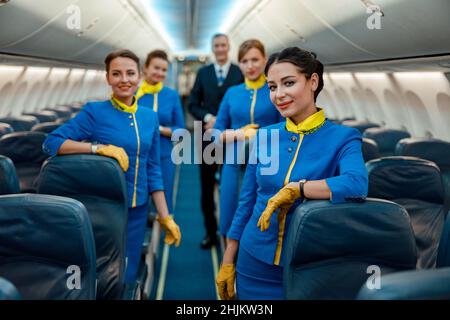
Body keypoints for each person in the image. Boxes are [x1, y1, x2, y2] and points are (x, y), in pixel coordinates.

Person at [215, 47, 368, 300]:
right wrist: (229, 257)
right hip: (254, 261)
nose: (279, 95)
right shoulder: (264, 137)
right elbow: (247, 203)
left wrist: (298, 189)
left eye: (288, 83)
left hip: (309, 264)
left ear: (313, 81)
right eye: (272, 87)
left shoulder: (343, 138)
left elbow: (356, 184)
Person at [43, 49, 181, 284]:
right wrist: (96, 149)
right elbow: (51, 143)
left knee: (125, 274)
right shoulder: (94, 112)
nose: (124, 80)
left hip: (137, 209)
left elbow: (153, 170)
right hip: (102, 209)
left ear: (139, 76)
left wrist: (165, 216)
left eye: (130, 73)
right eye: (116, 74)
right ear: (108, 78)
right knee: (98, 274)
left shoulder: (150, 118)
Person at [214, 39, 282, 241]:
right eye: (244, 61)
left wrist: (261, 135)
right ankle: (228, 266)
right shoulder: (232, 93)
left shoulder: (275, 91)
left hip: (268, 164)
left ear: (265, 60)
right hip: (233, 165)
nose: (250, 66)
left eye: (255, 59)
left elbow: (286, 130)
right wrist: (238, 134)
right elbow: (215, 133)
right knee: (231, 215)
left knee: (260, 219)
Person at [188, 33, 244, 249]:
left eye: (223, 45)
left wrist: (224, 123)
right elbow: (193, 104)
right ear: (212, 49)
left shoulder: (241, 72)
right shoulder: (203, 73)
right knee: (206, 186)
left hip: (235, 139)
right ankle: (210, 233)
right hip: (208, 137)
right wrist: (209, 118)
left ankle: (234, 233)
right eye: (216, 46)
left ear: (229, 47)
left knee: (236, 186)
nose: (220, 49)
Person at [136, 49, 185, 213]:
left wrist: (160, 129)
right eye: (156, 68)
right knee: (138, 199)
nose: (160, 73)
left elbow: (181, 130)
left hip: (163, 154)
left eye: (164, 70)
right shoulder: (134, 93)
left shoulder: (171, 95)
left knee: (163, 199)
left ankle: (163, 236)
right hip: (137, 154)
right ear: (146, 68)